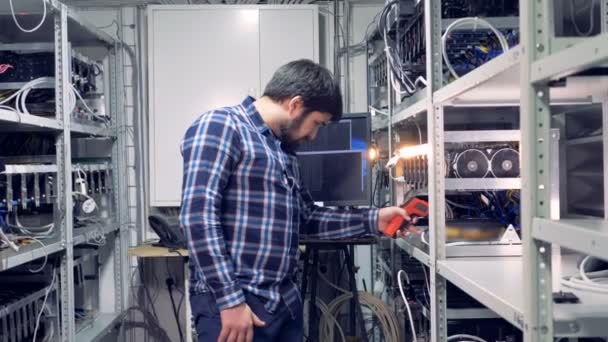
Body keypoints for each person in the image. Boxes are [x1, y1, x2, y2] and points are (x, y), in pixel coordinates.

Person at [180, 59, 412, 342]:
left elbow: (308, 219)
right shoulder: (221, 126)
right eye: (316, 124)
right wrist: (230, 301)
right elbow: (198, 217)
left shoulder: (283, 152)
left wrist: (373, 219)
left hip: (282, 304)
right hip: (237, 306)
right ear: (294, 104)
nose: (314, 135)